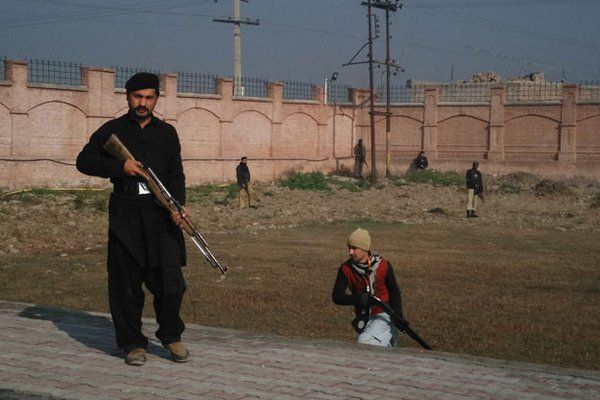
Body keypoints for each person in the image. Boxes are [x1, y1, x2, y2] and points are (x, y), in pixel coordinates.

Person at [76, 72, 190, 366]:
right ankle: (132, 344)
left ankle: (171, 336)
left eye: (149, 97)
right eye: (137, 97)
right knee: (125, 286)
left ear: (156, 99)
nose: (143, 103)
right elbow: (84, 161)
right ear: (128, 97)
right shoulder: (111, 130)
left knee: (171, 282)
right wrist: (120, 166)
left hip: (161, 215)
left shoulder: (167, 133)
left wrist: (179, 206)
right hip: (126, 214)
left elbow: (176, 173)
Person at [332, 228, 403, 347]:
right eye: (349, 247)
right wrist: (360, 298)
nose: (350, 252)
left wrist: (398, 317)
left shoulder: (383, 265)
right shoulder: (346, 269)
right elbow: (337, 297)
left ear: (364, 248)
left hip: (384, 315)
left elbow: (394, 291)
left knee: (364, 343)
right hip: (365, 316)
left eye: (354, 248)